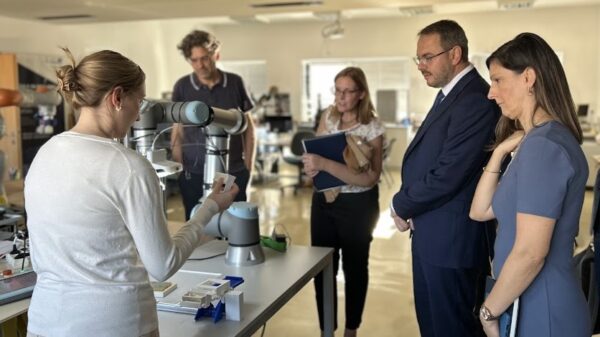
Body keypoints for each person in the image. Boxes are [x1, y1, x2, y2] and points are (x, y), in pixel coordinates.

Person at [24, 48, 239, 337]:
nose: (139, 113)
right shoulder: (128, 165)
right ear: (116, 98)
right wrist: (209, 208)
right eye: (138, 102)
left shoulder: (45, 154)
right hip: (115, 324)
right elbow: (162, 265)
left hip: (46, 322)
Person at [470, 32, 591, 337]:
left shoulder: (544, 147)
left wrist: (488, 311)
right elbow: (480, 210)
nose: (490, 93)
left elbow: (530, 253)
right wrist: (499, 152)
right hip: (523, 297)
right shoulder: (534, 143)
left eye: (497, 80)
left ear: (528, 78)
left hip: (542, 306)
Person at [390, 20, 500, 337]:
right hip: (433, 236)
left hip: (452, 243)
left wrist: (400, 204)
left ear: (455, 53)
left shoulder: (475, 99)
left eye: (427, 57)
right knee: (434, 326)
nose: (421, 66)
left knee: (452, 328)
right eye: (418, 59)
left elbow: (448, 173)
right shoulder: (451, 95)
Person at [302, 67, 384, 337]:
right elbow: (314, 156)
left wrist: (325, 163)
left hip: (358, 206)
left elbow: (370, 178)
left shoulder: (372, 127)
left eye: (348, 91)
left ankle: (351, 330)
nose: (341, 96)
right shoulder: (328, 117)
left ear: (361, 94)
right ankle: (328, 328)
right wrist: (312, 167)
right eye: (338, 90)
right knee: (323, 266)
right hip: (325, 202)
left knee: (355, 269)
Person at [170, 30, 256, 220]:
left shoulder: (235, 82)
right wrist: (180, 170)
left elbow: (248, 128)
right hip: (193, 171)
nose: (200, 65)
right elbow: (177, 130)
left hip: (231, 171)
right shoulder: (182, 86)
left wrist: (248, 166)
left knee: (236, 226)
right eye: (194, 60)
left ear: (216, 55)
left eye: (205, 58)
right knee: (196, 226)